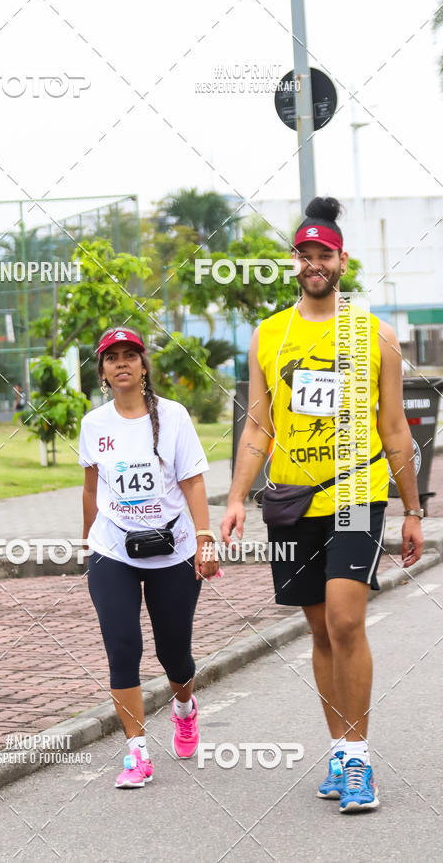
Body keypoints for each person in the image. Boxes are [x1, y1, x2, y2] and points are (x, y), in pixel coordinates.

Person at [221, 197, 423, 813]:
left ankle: (359, 760)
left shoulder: (373, 334)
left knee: (345, 619)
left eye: (324, 254)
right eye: (305, 254)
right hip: (289, 502)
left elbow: (394, 428)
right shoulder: (269, 335)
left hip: (356, 495)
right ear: (295, 261)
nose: (314, 263)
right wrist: (233, 499)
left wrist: (413, 508)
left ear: (341, 260)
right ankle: (338, 748)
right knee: (317, 629)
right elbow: (258, 426)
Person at [79, 327, 219, 789]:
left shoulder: (173, 417)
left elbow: (193, 481)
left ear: (143, 366)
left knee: (173, 653)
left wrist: (205, 539)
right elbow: (90, 487)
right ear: (102, 370)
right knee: (123, 648)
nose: (121, 363)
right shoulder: (94, 424)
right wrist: (87, 545)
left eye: (130, 356)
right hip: (113, 549)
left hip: (173, 548)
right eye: (111, 357)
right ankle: (136, 753)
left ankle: (184, 708)